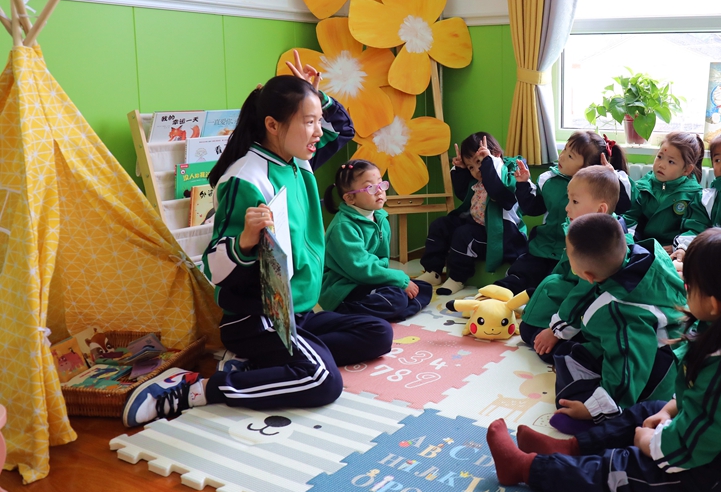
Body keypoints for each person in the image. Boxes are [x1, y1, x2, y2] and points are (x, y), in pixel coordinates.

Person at [485, 227, 721, 492]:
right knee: (650, 409)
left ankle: (526, 468)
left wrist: (649, 443)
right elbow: (704, 398)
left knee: (626, 467)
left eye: (689, 287)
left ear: (715, 304)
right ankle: (570, 448)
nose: (683, 290)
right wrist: (671, 409)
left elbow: (688, 447)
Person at [123, 55, 392, 427]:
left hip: (297, 311)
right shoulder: (245, 179)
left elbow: (342, 129)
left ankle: (267, 363)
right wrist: (246, 240)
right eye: (309, 121)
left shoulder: (297, 159)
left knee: (378, 333)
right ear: (272, 125)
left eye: (317, 120)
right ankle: (194, 390)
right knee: (323, 381)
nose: (318, 131)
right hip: (257, 317)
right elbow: (215, 267)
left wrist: (316, 96)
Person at [548, 213, 686, 434]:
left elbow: (628, 367)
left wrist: (594, 409)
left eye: (568, 254)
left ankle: (601, 421)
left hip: (663, 370)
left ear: (588, 276)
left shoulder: (622, 312)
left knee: (570, 389)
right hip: (665, 341)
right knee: (572, 352)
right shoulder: (644, 255)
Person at [495, 130, 631, 296]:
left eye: (571, 156)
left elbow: (623, 204)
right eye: (565, 149)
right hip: (542, 248)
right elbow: (533, 208)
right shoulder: (548, 178)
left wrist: (611, 176)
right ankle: (489, 298)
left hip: (571, 256)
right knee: (519, 275)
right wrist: (523, 184)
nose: (562, 156)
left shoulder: (596, 189)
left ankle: (534, 299)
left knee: (552, 285)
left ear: (587, 167)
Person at [518, 165, 625, 361]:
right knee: (527, 329)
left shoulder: (600, 245)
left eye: (575, 201)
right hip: (569, 299)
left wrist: (555, 331)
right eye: (569, 200)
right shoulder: (583, 231)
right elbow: (565, 269)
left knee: (541, 343)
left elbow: (583, 294)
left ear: (601, 210)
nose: (567, 208)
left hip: (585, 313)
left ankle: (579, 352)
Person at [415, 132, 528, 296]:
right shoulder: (478, 181)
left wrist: (488, 162)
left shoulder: (508, 173)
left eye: (479, 162)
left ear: (496, 154)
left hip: (502, 235)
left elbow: (501, 194)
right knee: (440, 225)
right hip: (476, 224)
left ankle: (457, 278)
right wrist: (461, 170)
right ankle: (433, 270)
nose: (477, 171)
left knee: (464, 234)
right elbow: (463, 193)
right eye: (471, 167)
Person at [320, 159, 433, 322]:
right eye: (370, 187)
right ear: (350, 198)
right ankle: (346, 314)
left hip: (368, 280)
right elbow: (361, 268)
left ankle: (388, 309)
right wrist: (398, 280)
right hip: (344, 290)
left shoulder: (380, 219)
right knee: (397, 297)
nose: (379, 191)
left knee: (423, 288)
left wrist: (394, 281)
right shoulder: (343, 227)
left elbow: (382, 260)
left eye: (381, 184)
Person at [623, 131, 709, 251]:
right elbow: (629, 220)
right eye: (659, 157)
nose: (661, 165)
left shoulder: (695, 196)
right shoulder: (641, 188)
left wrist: (678, 247)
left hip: (673, 250)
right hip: (641, 246)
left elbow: (696, 228)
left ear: (687, 170)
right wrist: (629, 245)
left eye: (671, 162)